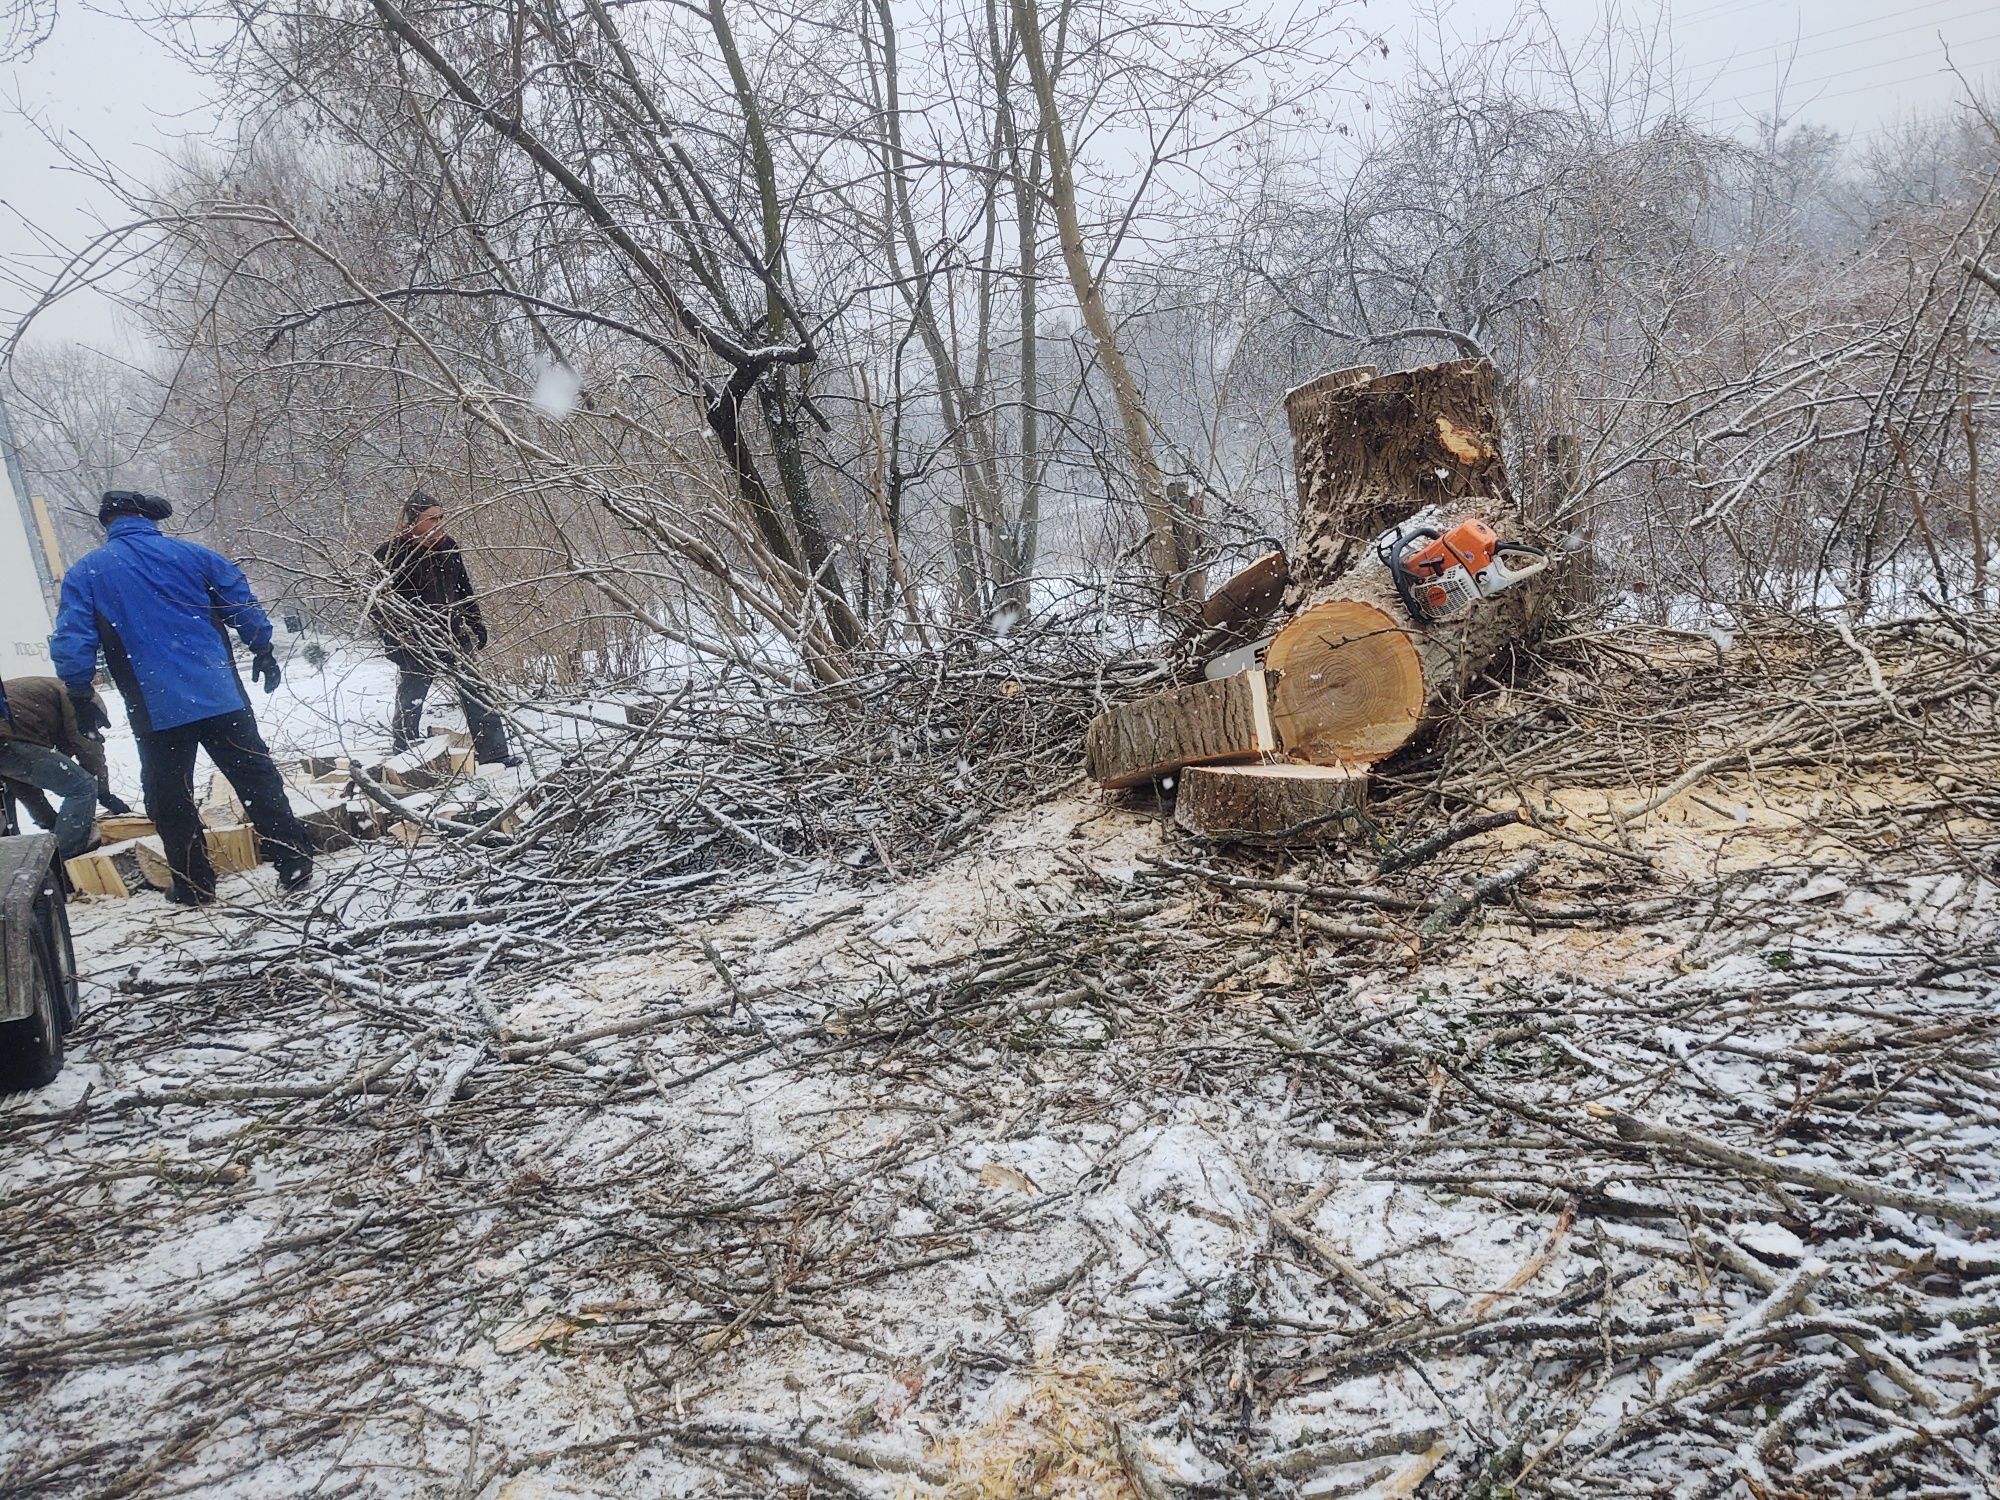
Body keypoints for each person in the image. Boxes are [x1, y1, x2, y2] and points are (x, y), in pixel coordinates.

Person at [49, 490, 314, 904]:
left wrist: (80, 691)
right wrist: (261, 646)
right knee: (256, 779)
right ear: (148, 519)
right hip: (219, 694)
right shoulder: (194, 556)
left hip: (155, 706)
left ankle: (194, 883)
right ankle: (293, 860)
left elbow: (72, 638)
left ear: (109, 525)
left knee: (169, 797)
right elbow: (240, 601)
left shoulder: (87, 573)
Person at [371, 491, 517, 767]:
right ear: (412, 521)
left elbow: (463, 589)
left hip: (452, 633)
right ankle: (405, 758)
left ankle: (494, 755)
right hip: (415, 640)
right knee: (411, 700)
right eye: (431, 519)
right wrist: (395, 641)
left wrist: (475, 622)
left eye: (441, 517)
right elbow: (379, 607)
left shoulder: (448, 546)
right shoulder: (390, 553)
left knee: (477, 692)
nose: (439, 524)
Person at [0, 676, 130, 859]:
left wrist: (51, 823)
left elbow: (23, 786)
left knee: (7, 819)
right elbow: (88, 747)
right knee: (83, 787)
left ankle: (20, 872)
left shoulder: (43, 699)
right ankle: (64, 862)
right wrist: (103, 793)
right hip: (6, 734)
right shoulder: (81, 699)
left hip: (8, 732)